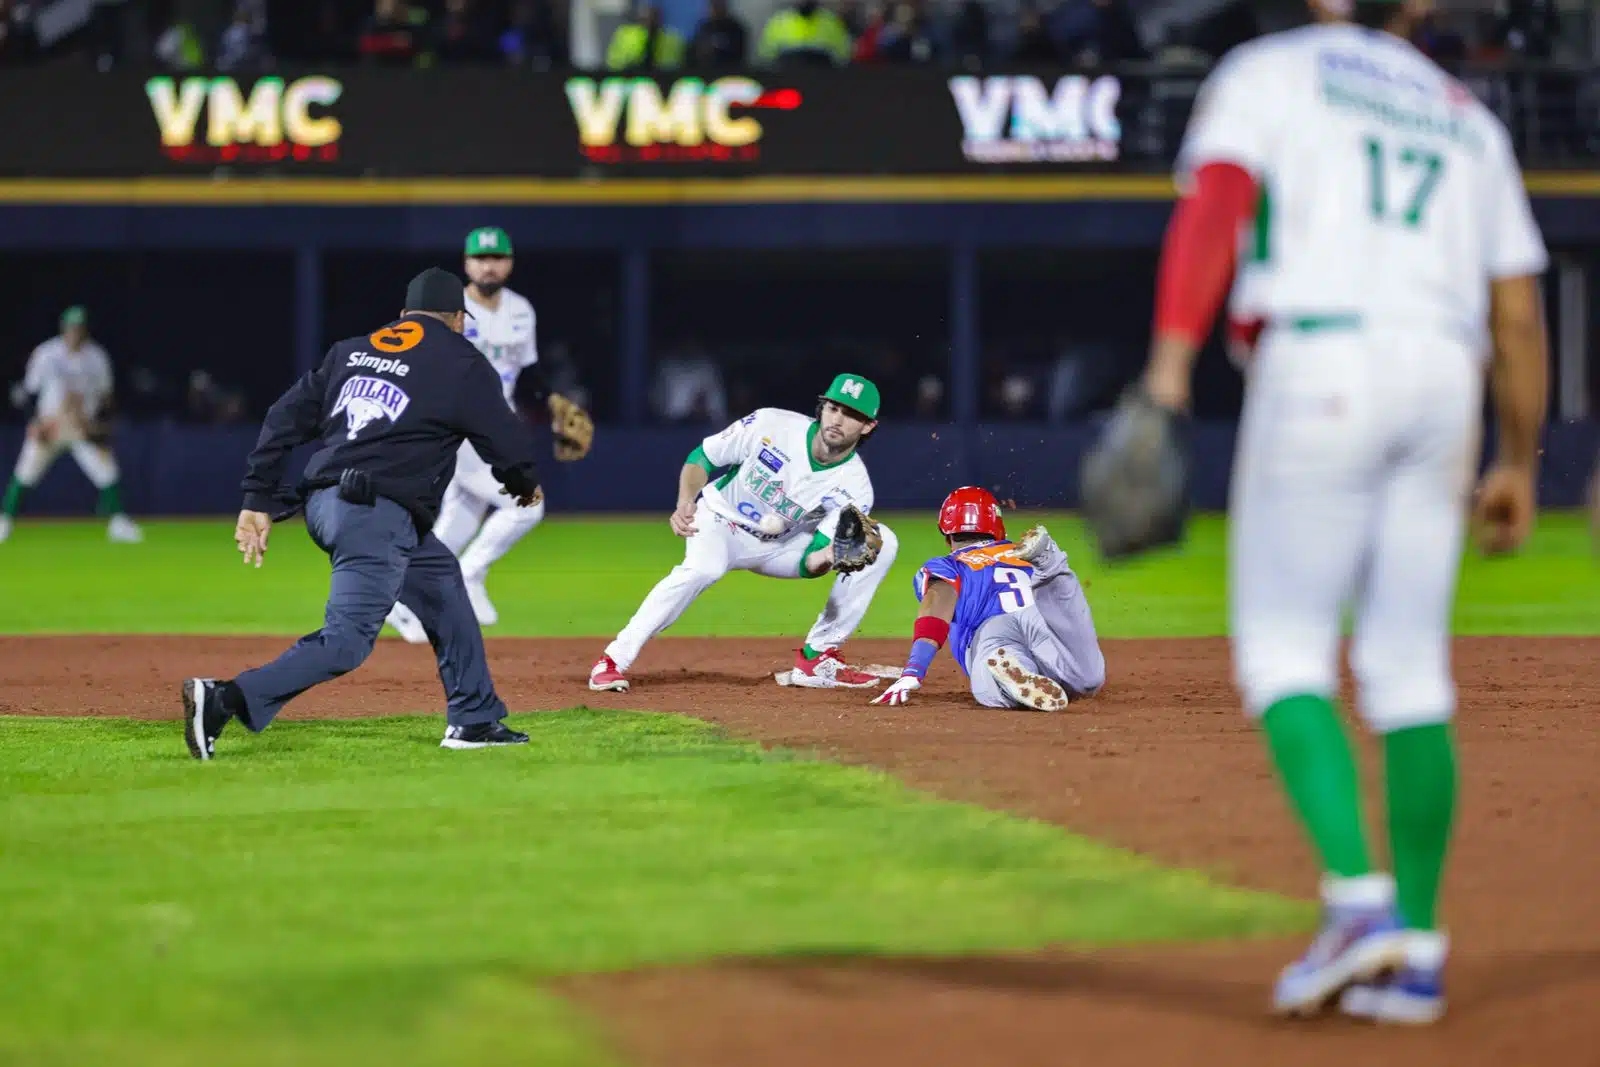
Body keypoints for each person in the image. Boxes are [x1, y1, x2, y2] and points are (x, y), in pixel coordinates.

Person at [1129, 0, 1550, 1024]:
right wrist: (1521, 459)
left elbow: (1216, 205)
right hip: (1444, 376)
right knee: (1408, 668)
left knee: (1282, 651)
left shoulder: (1270, 69)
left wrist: (1167, 373)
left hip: (1319, 355)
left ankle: (1357, 907)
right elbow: (1518, 310)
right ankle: (1415, 944)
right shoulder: (1467, 115)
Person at [183, 268, 545, 759]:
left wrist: (256, 498)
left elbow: (282, 418)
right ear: (459, 320)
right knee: (348, 641)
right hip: (375, 515)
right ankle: (225, 699)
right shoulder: (461, 360)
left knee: (444, 591)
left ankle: (474, 719)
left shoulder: (351, 352)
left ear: (403, 316)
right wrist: (521, 483)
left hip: (329, 503)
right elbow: (508, 442)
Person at [590, 374, 899, 691]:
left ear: (868, 427)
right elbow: (703, 458)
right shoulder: (771, 424)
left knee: (884, 541)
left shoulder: (855, 486)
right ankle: (612, 660)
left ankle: (816, 657)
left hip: (780, 546)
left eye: (851, 415)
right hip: (719, 522)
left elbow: (809, 562)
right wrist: (685, 501)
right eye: (834, 408)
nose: (838, 419)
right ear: (822, 408)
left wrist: (831, 555)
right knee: (702, 569)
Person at [385, 226, 594, 642]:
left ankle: (403, 601)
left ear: (509, 263)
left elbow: (528, 372)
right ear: (466, 264)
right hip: (459, 426)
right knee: (527, 505)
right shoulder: (446, 308)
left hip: (498, 424)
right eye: (481, 258)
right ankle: (469, 574)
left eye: (497, 257)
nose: (489, 264)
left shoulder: (521, 310)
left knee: (461, 516)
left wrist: (552, 403)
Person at [872, 487, 1105, 712]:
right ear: (997, 528)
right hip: (1041, 619)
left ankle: (1007, 672)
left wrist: (914, 670)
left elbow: (938, 602)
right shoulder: (1020, 552)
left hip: (992, 631)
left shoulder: (949, 564)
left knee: (988, 687)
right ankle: (1053, 566)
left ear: (948, 535)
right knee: (1087, 680)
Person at [1, 306, 143, 544]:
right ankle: (5, 521)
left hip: (81, 428)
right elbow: (28, 392)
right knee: (25, 473)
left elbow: (106, 398)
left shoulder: (96, 357)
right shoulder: (46, 353)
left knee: (107, 472)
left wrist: (100, 425)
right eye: (71, 327)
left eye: (79, 327)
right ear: (63, 328)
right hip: (51, 426)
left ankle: (119, 523)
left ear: (85, 329)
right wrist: (33, 421)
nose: (75, 332)